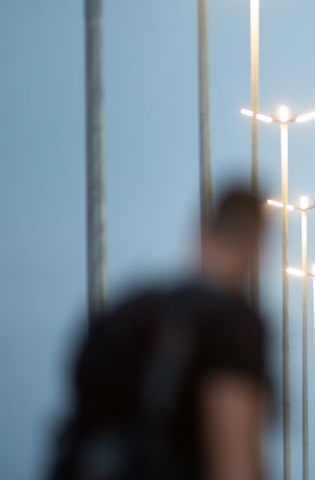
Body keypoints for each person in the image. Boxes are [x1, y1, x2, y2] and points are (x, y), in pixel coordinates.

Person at [50, 186, 272, 480]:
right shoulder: (233, 325)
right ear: (256, 244)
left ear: (201, 236)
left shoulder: (129, 309)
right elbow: (234, 461)